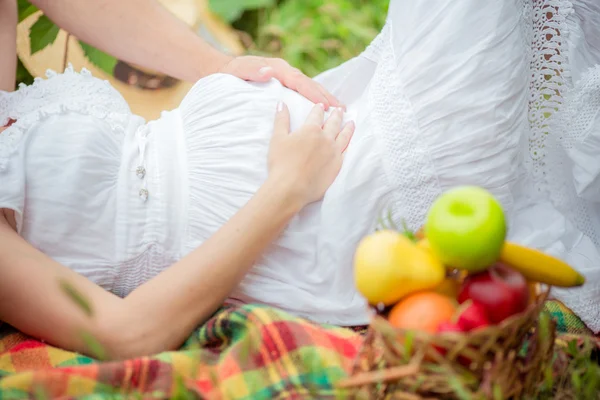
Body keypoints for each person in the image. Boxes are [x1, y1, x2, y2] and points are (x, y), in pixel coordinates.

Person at [2, 0, 600, 361]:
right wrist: (285, 190)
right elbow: (124, 333)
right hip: (330, 217)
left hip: (342, 132)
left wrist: (218, 66)